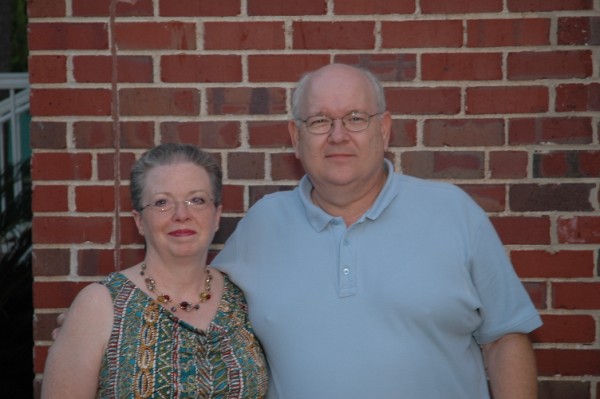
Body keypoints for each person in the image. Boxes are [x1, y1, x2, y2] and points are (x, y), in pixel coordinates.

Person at [212, 63, 542, 398]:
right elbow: (195, 297)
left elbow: (505, 339)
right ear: (296, 138)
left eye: (355, 118)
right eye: (320, 121)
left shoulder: (453, 213)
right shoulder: (263, 224)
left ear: (383, 129)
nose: (337, 135)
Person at [42, 143, 268, 398]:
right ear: (139, 220)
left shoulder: (243, 297)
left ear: (217, 215)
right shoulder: (100, 305)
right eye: (162, 202)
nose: (181, 214)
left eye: (197, 200)